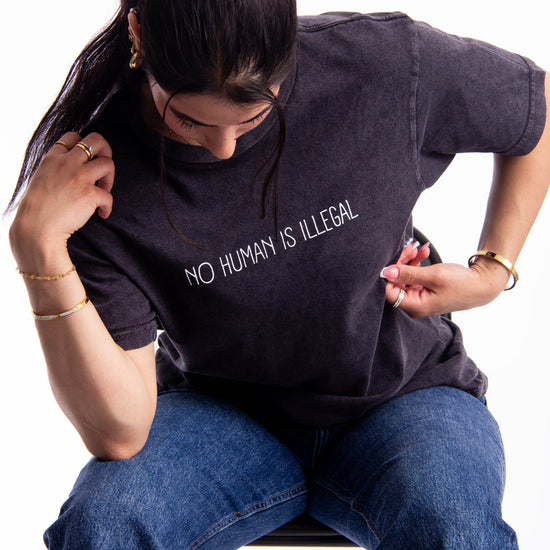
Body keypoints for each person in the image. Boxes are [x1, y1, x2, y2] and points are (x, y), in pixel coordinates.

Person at [6, 0, 549, 548]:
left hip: (407, 396)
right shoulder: (95, 184)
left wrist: (492, 270)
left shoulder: (381, 64)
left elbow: (537, 106)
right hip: (219, 417)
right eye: (190, 120)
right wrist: (39, 248)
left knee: (455, 530)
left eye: (253, 117)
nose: (225, 148)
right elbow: (120, 434)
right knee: (102, 527)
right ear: (139, 34)